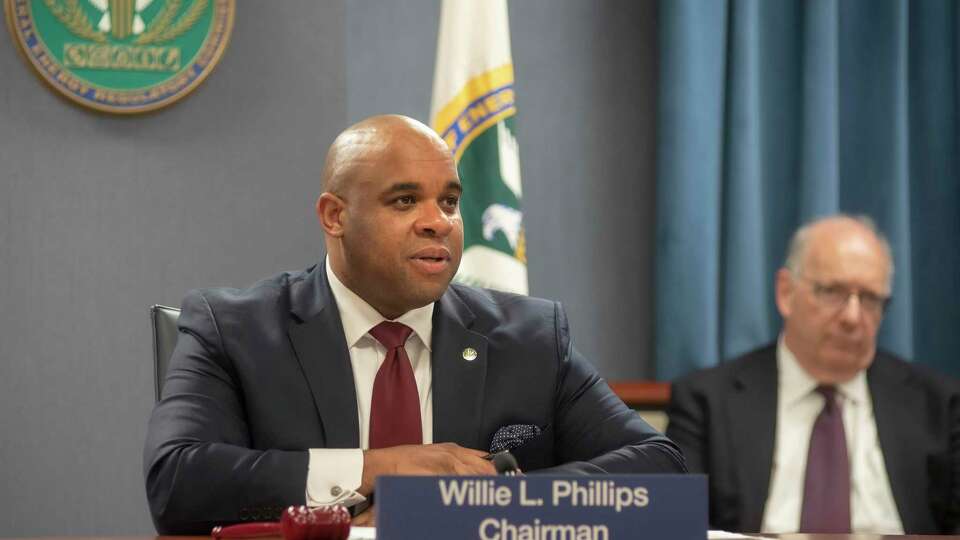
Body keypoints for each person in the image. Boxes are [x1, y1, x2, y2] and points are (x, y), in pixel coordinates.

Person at [144, 115, 685, 534]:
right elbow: (177, 483)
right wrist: (377, 469)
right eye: (405, 200)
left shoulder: (530, 338)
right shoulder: (236, 328)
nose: (438, 222)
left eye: (449, 201)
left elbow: (660, 469)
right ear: (335, 216)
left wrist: (473, 508)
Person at [667, 215, 960, 534]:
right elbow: (679, 528)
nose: (852, 316)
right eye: (833, 292)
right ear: (786, 293)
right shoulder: (707, 402)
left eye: (870, 299)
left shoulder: (940, 406)